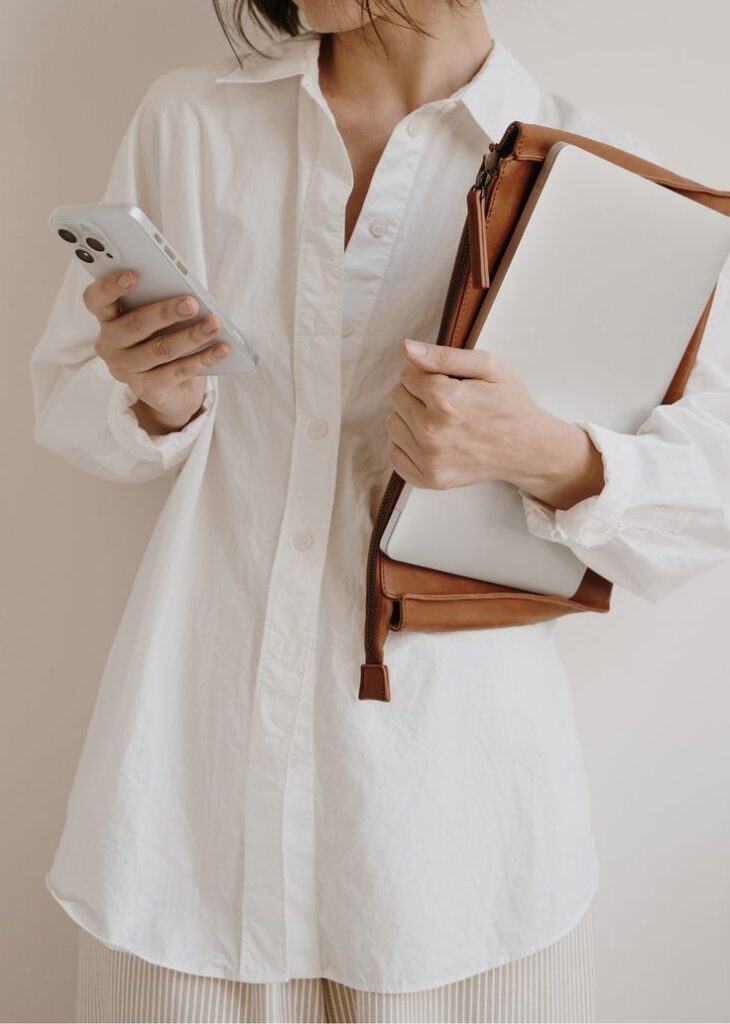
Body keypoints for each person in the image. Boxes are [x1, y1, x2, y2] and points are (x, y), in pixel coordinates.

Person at [30, 1, 730, 1021]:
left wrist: (542, 451)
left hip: (454, 842)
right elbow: (66, 403)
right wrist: (153, 394)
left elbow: (708, 488)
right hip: (186, 813)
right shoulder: (189, 123)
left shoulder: (603, 184)